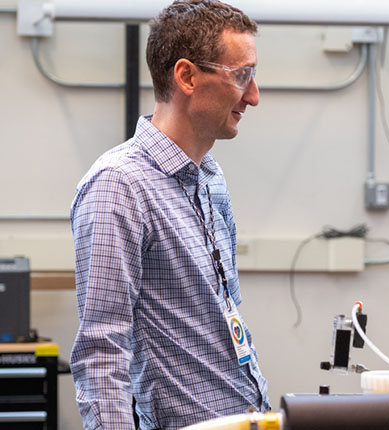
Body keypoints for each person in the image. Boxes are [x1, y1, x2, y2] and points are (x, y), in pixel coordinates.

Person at [70, 1, 268, 428]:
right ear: (187, 76)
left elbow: (223, 325)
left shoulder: (210, 177)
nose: (253, 95)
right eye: (241, 76)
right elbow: (102, 356)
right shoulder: (118, 185)